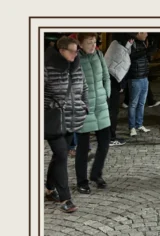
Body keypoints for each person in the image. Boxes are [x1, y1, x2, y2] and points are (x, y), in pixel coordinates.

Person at [44, 36, 88, 213]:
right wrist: (52, 106)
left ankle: (49, 188)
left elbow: (84, 87)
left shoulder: (77, 64)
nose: (76, 54)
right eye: (72, 51)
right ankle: (65, 198)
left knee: (58, 156)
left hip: (73, 117)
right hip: (53, 118)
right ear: (61, 50)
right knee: (62, 154)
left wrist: (85, 106)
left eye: (77, 51)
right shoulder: (46, 66)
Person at [75, 33, 111, 194]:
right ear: (80, 44)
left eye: (94, 42)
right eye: (89, 42)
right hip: (85, 108)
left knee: (104, 143)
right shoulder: (75, 58)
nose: (92, 45)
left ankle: (96, 174)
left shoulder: (99, 54)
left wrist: (106, 93)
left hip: (101, 106)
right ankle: (82, 181)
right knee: (83, 148)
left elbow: (106, 76)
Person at [104, 33, 136, 147]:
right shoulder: (117, 47)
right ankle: (110, 137)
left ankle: (108, 135)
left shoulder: (115, 44)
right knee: (112, 110)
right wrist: (120, 83)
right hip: (112, 82)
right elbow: (120, 64)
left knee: (111, 110)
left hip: (111, 82)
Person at [126, 32, 155, 137]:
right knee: (133, 103)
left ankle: (139, 124)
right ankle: (132, 127)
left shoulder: (143, 43)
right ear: (138, 33)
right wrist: (146, 51)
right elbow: (129, 56)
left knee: (142, 103)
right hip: (135, 77)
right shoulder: (131, 42)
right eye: (144, 32)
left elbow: (145, 58)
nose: (146, 34)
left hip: (144, 76)